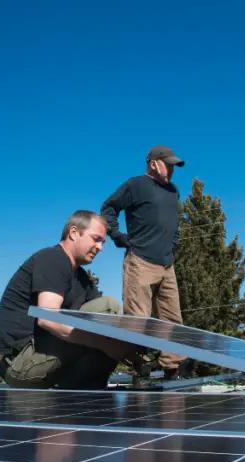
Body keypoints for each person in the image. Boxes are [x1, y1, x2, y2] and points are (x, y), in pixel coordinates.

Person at [0, 210, 137, 389]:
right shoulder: (53, 259)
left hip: (45, 360)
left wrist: (133, 348)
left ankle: (86, 389)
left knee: (111, 326)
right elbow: (47, 320)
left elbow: (113, 326)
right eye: (96, 239)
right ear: (74, 233)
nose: (100, 247)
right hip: (19, 364)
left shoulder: (83, 281)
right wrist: (107, 346)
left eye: (103, 242)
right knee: (109, 307)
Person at [101, 144, 189, 380]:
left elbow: (174, 223)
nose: (171, 169)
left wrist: (174, 243)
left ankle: (172, 369)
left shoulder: (173, 191)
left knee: (173, 319)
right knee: (138, 320)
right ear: (153, 163)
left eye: (174, 166)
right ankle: (140, 368)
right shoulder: (136, 185)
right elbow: (108, 208)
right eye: (168, 164)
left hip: (167, 265)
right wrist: (117, 236)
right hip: (139, 261)